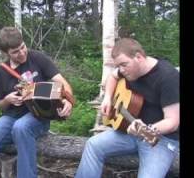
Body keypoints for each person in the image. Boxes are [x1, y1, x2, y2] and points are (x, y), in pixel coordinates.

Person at [0, 26, 74, 178]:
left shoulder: (37, 58)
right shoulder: (2, 71)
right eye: (15, 52)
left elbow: (62, 82)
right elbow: (0, 103)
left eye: (22, 47)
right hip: (11, 117)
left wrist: (68, 101)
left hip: (38, 116)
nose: (22, 53)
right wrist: (8, 100)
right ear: (6, 53)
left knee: (20, 127)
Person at [75, 38, 179, 178]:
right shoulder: (126, 70)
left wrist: (146, 130)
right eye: (119, 66)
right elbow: (113, 77)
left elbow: (172, 122)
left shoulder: (168, 77)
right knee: (93, 145)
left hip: (160, 139)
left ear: (138, 57)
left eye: (124, 64)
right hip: (128, 132)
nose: (121, 70)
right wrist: (107, 98)